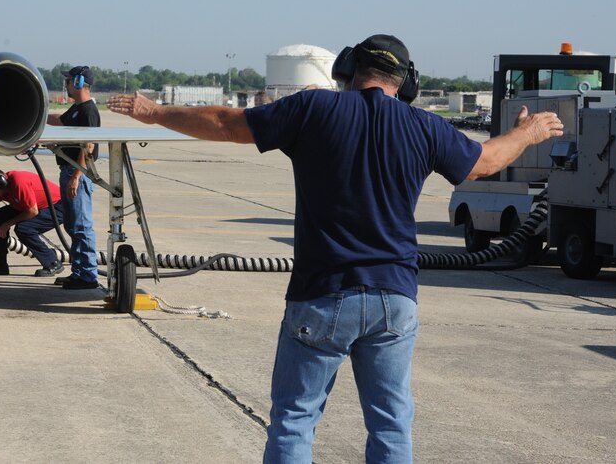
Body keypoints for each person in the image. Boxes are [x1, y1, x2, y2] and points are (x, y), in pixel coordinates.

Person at [106, 34, 563, 463]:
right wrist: (528, 133)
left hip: (322, 294)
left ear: (348, 70)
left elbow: (227, 123)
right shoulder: (424, 126)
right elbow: (482, 162)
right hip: (394, 299)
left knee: (293, 423)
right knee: (391, 427)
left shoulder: (313, 109)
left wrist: (155, 113)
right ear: (406, 84)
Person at [46, 65, 102, 290]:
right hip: (69, 171)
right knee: (72, 224)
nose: (66, 85)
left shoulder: (88, 111)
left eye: (68, 81)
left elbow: (88, 146)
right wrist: (35, 114)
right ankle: (79, 272)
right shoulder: (77, 109)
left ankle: (88, 276)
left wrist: (77, 176)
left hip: (77, 173)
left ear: (79, 83)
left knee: (81, 226)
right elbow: (59, 120)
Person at [0, 167, 65, 277]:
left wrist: (7, 224)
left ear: (1, 183)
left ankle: (53, 263)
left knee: (24, 229)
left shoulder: (19, 183)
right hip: (32, 206)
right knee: (1, 215)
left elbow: (32, 211)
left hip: (57, 206)